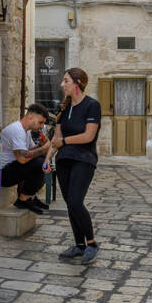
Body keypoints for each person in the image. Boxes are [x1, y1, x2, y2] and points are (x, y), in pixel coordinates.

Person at [47, 67, 101, 264]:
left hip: (84, 159)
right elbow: (57, 137)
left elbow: (89, 136)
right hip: (63, 161)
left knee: (76, 202)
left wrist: (65, 142)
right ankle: (79, 246)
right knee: (70, 204)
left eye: (66, 81)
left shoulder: (92, 106)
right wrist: (48, 158)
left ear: (77, 83)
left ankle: (92, 244)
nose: (62, 84)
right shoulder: (64, 108)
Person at [0, 104, 52, 214]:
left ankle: (30, 196)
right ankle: (23, 199)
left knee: (42, 158)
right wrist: (43, 149)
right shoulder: (17, 130)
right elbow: (23, 158)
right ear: (30, 117)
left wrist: (39, 146)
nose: (42, 126)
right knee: (39, 162)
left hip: (13, 168)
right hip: (2, 174)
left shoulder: (26, 131)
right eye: (40, 122)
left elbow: (29, 151)